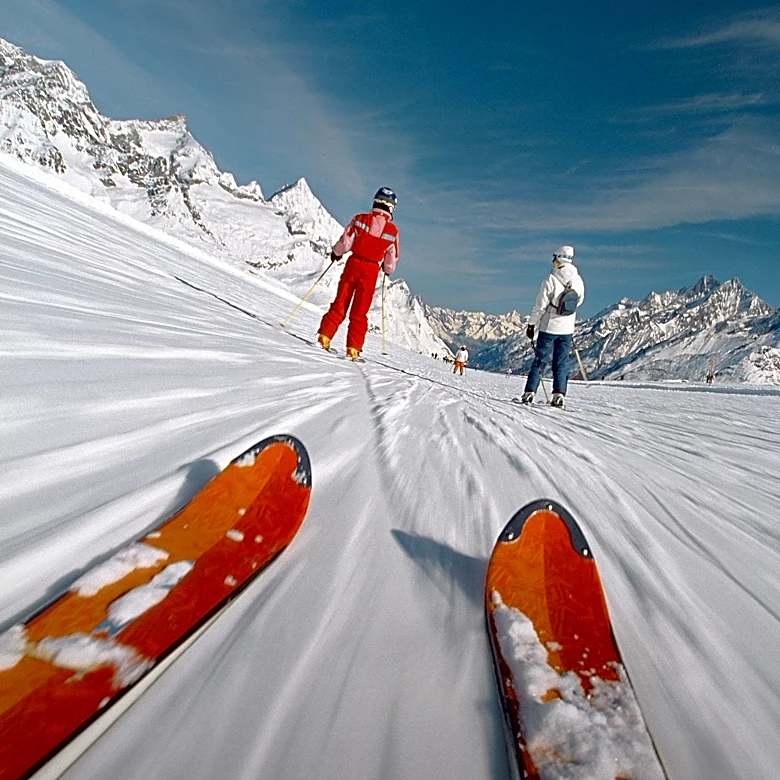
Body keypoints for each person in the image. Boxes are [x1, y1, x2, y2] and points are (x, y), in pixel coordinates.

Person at [317, 188, 399, 360]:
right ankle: (353, 348)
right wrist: (387, 268)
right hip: (371, 271)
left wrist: (336, 253)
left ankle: (325, 336)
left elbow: (345, 242)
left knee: (341, 301)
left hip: (353, 264)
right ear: (392, 208)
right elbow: (391, 259)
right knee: (360, 310)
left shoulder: (360, 219)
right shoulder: (392, 232)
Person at [521, 245, 585, 408]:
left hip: (549, 327)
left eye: (554, 257)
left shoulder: (551, 279)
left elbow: (540, 306)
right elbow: (579, 300)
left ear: (558, 259)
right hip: (568, 328)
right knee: (561, 362)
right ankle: (559, 394)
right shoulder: (578, 279)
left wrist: (532, 324)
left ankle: (530, 393)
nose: (553, 261)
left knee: (540, 360)